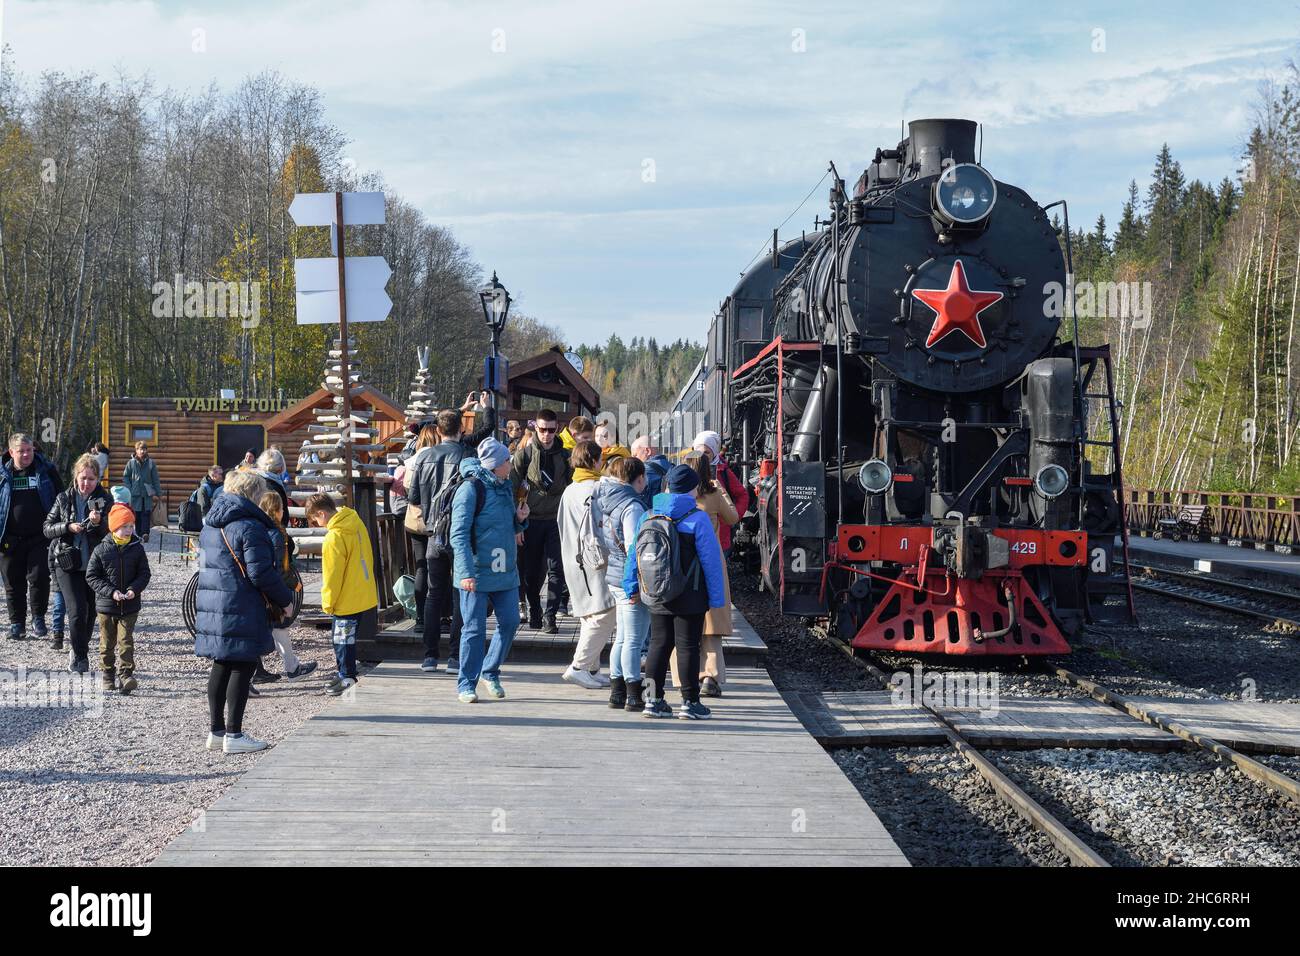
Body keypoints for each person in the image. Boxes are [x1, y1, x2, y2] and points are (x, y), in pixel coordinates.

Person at [194, 469, 294, 754]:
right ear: (252, 494)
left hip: (214, 602)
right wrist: (285, 600)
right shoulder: (249, 526)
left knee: (221, 663)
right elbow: (260, 573)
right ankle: (234, 734)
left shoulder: (211, 524)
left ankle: (216, 731)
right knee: (243, 662)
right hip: (240, 602)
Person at [623, 463, 726, 720]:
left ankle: (652, 700)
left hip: (656, 591)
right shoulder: (698, 518)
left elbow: (633, 557)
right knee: (688, 646)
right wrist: (716, 599)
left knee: (658, 644)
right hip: (690, 594)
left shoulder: (649, 516)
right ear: (692, 489)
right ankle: (690, 702)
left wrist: (631, 586)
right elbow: (711, 562)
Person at [409, 395, 498, 672]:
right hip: (461, 535)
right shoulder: (468, 457)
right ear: (461, 429)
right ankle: (455, 656)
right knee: (461, 593)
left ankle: (429, 655)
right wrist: (485, 408)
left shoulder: (423, 458)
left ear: (438, 430)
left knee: (435, 594)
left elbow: (413, 497)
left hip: (434, 534)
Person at [450, 437, 529, 703]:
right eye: (507, 460)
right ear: (495, 465)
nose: (511, 464)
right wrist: (465, 572)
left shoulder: (505, 486)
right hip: (476, 571)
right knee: (473, 628)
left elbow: (508, 526)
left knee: (510, 622)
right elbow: (458, 534)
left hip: (505, 568)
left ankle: (490, 671)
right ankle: (466, 683)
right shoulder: (470, 489)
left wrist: (520, 521)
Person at [670, 450, 737, 698]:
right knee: (712, 622)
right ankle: (710, 676)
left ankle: (680, 678)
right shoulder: (713, 491)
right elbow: (733, 516)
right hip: (710, 556)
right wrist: (720, 491)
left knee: (681, 620)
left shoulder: (673, 493)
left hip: (680, 559)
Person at [305, 491, 379, 697]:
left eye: (315, 520)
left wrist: (327, 602)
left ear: (321, 513)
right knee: (348, 639)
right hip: (363, 592)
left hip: (346, 600)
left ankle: (347, 676)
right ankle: (345, 673)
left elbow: (332, 576)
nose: (318, 524)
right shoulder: (355, 522)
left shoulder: (334, 537)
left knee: (341, 640)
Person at [42, 454, 109, 671]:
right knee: (77, 610)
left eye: (91, 479)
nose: (86, 483)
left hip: (94, 565)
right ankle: (81, 657)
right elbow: (47, 528)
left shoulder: (105, 500)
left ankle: (79, 646)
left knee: (90, 612)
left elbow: (114, 531)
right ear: (75, 477)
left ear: (97, 479)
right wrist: (67, 527)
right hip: (67, 562)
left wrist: (100, 523)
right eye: (83, 478)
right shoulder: (64, 498)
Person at [557, 441, 615, 689]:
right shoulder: (598, 488)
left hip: (573, 558)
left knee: (588, 613)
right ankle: (579, 666)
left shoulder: (570, 489)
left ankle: (592, 667)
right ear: (594, 461)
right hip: (595, 560)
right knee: (604, 612)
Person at [596, 455, 649, 710]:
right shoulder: (632, 506)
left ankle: (617, 692)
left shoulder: (611, 501)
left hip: (614, 576)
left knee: (622, 637)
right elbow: (634, 547)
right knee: (634, 640)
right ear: (639, 479)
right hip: (629, 579)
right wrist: (636, 583)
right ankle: (633, 693)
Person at [511, 408, 570, 633]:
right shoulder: (524, 455)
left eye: (551, 430)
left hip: (556, 520)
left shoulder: (565, 457)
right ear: (536, 427)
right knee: (531, 571)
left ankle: (550, 616)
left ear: (557, 429)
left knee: (556, 569)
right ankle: (535, 610)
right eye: (542, 429)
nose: (546, 434)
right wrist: (517, 522)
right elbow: (513, 487)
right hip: (531, 520)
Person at [1, 433, 63, 640]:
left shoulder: (46, 470)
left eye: (29, 450)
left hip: (40, 536)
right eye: (21, 451)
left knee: (39, 579)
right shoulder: (2, 474)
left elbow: (61, 497)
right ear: (11, 452)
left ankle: (38, 618)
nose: (26, 454)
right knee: (13, 582)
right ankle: (17, 624)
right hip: (9, 538)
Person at [85, 503, 151, 694]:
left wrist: (133, 590)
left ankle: (125, 675)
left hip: (130, 606)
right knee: (107, 643)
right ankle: (107, 674)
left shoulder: (137, 548)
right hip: (106, 606)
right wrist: (111, 591)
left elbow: (144, 574)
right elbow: (92, 576)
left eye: (131, 526)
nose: (129, 530)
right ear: (114, 527)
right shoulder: (101, 549)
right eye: (125, 526)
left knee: (126, 642)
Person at [257, 491, 316, 681]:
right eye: (282, 508)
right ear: (275, 511)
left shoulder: (257, 529)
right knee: (279, 628)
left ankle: (258, 673)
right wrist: (293, 586)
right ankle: (291, 668)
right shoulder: (276, 535)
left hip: (258, 589)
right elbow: (280, 568)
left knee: (268, 629)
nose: (284, 511)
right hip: (272, 590)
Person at [397, 424, 438, 641]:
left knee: (421, 567)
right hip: (437, 521)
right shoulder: (440, 459)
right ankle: (440, 615)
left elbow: (408, 491)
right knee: (440, 568)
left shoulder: (411, 461)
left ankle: (421, 618)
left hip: (415, 520)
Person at [692, 431, 749, 553]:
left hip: (719, 540)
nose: (702, 456)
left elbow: (742, 495)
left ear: (714, 453)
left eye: (706, 452)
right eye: (699, 452)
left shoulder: (723, 471)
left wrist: (729, 516)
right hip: (692, 538)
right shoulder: (685, 471)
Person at [122, 441, 161, 543]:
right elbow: (126, 477)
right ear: (136, 450)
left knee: (146, 514)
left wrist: (158, 493)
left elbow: (155, 479)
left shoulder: (151, 463)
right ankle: (139, 535)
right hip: (135, 494)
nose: (142, 451)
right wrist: (129, 489)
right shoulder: (131, 463)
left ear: (146, 450)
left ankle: (145, 534)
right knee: (137, 515)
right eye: (140, 449)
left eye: (144, 449)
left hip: (147, 494)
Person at [630, 435, 671, 511]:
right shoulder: (673, 468)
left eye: (635, 455)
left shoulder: (642, 471)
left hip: (648, 518)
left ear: (648, 451)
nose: (633, 460)